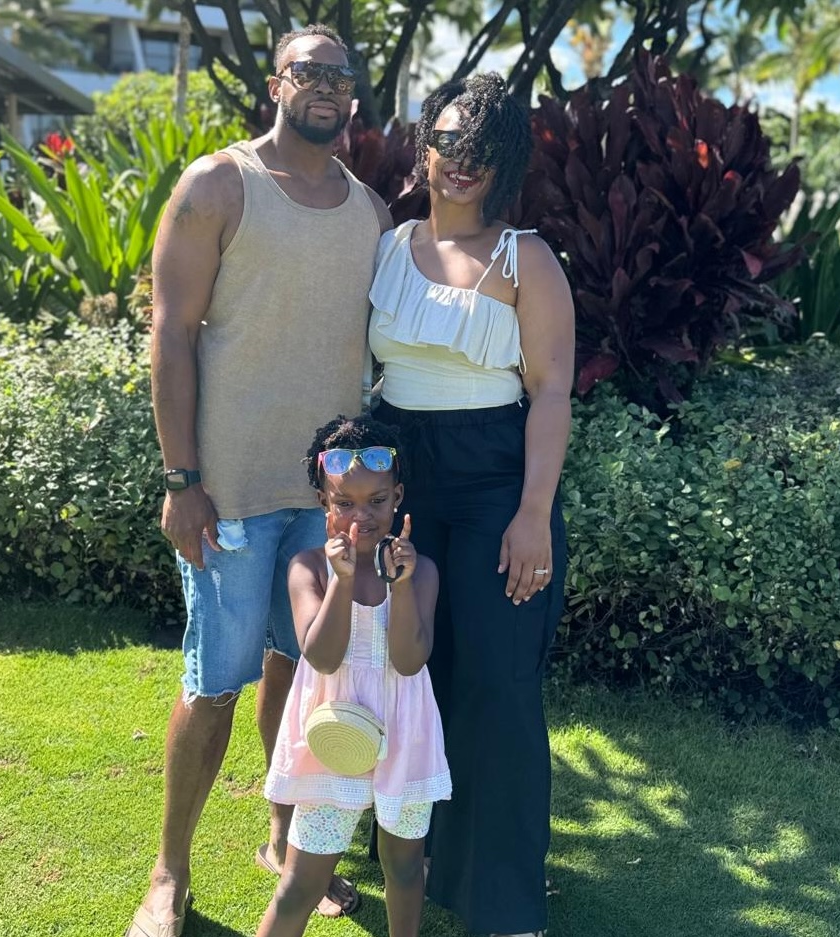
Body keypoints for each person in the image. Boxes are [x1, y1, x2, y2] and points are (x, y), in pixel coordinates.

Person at [128, 24, 393, 937]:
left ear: (353, 95)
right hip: (230, 494)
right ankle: (169, 872)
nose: (325, 87)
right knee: (213, 682)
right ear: (278, 83)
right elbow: (169, 332)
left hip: (328, 503)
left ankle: (285, 844)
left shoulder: (369, 212)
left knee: (305, 674)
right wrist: (180, 477)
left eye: (339, 76)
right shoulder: (219, 184)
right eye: (308, 72)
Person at [368, 72, 575, 936]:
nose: (462, 161)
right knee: (415, 680)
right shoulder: (386, 241)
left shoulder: (526, 257)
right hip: (406, 488)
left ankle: (509, 903)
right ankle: (432, 870)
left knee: (496, 686)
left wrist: (532, 514)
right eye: (450, 140)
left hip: (495, 489)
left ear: (504, 165)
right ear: (425, 146)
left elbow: (553, 389)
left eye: (482, 150)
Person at [258, 415, 449, 937]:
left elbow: (410, 661)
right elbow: (321, 656)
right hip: (329, 738)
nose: (361, 517)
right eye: (345, 503)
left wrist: (403, 587)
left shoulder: (422, 570)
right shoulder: (308, 568)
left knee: (406, 868)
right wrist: (342, 581)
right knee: (300, 883)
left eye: (377, 501)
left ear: (398, 497)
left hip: (404, 736)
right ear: (324, 501)